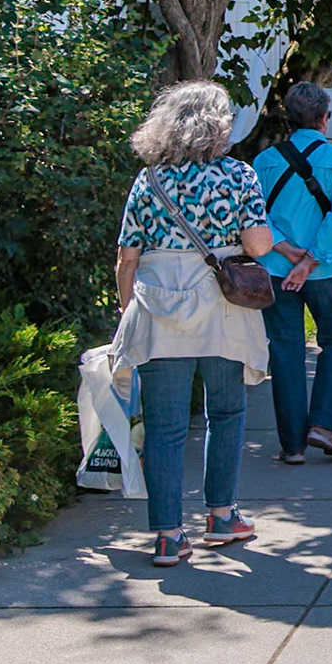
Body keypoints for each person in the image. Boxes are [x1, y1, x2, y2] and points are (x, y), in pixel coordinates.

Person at [113, 81, 274, 567]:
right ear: (216, 126)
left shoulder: (149, 181)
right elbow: (260, 245)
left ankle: (166, 536)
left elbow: (127, 257)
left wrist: (126, 312)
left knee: (164, 428)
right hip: (221, 308)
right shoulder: (238, 175)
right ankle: (221, 516)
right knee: (225, 414)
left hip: (159, 308)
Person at [252, 81, 332, 464]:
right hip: (328, 270)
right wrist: (311, 260)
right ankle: (323, 425)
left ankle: (292, 446)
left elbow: (255, 216)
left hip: (275, 268)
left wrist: (284, 249)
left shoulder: (264, 162)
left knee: (285, 351)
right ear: (324, 119)